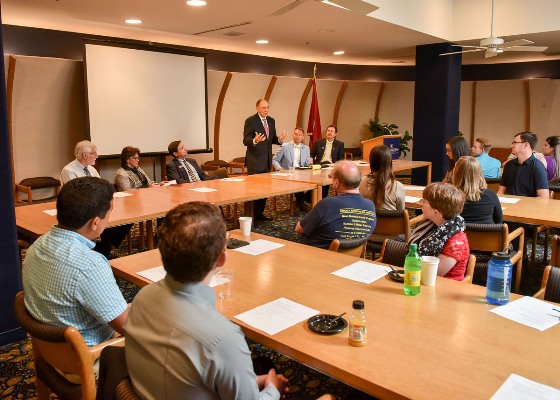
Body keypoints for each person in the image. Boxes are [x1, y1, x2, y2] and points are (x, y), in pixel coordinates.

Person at [125, 202, 289, 399]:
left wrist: (251, 384)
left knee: (260, 365)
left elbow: (178, 372)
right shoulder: (222, 338)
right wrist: (272, 389)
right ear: (221, 259)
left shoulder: (142, 298)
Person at [22, 177, 129, 346]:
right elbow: (128, 327)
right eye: (109, 213)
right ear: (95, 223)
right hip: (89, 357)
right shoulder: (89, 265)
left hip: (51, 351)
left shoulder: (37, 245)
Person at [60, 140, 130, 258]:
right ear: (85, 155)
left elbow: (101, 187)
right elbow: (73, 195)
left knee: (127, 217)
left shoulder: (91, 169)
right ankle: (103, 247)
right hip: (80, 208)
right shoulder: (69, 170)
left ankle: (105, 245)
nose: (97, 156)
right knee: (105, 216)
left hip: (96, 204)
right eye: (94, 153)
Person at [295, 160, 376, 249]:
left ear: (336, 183)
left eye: (331, 177)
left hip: (319, 256)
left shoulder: (327, 204)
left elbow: (299, 229)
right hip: (352, 258)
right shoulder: (370, 206)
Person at [408, 183, 470, 280]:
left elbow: (431, 274)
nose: (420, 203)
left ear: (436, 212)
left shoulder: (456, 242)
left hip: (444, 288)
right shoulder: (431, 224)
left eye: (424, 202)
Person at [243, 99, 286, 221]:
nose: (266, 110)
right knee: (254, 191)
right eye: (263, 108)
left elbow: (271, 139)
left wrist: (280, 139)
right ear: (257, 108)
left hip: (266, 161)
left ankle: (259, 213)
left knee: (264, 191)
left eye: (267, 107)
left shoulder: (271, 121)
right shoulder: (250, 121)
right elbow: (246, 140)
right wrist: (255, 140)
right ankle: (251, 215)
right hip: (255, 162)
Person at [498, 132, 549, 198]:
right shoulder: (509, 165)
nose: (511, 146)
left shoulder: (537, 166)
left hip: (527, 206)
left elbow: (543, 197)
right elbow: (501, 191)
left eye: (514, 143)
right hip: (508, 205)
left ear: (526, 145)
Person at [453, 156, 502, 224]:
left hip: (461, 234)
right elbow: (499, 222)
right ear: (479, 173)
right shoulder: (490, 195)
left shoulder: (450, 198)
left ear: (456, 174)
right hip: (488, 234)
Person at [272, 127, 312, 211]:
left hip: (301, 173)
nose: (297, 136)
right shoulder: (285, 146)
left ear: (303, 137)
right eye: (295, 134)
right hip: (287, 173)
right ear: (293, 135)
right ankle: (301, 204)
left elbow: (307, 165)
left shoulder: (306, 149)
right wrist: (280, 169)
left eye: (299, 135)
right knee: (297, 181)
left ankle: (300, 202)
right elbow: (274, 160)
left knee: (315, 184)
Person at [359, 144, 405, 211]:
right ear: (389, 162)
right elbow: (401, 212)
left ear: (371, 161)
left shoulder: (362, 182)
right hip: (391, 221)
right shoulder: (398, 187)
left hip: (368, 221)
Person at [311, 125, 345, 198]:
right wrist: (311, 161)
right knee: (317, 183)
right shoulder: (319, 142)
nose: (329, 132)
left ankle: (319, 198)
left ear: (335, 134)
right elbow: (312, 155)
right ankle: (318, 198)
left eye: (332, 131)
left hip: (332, 167)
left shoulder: (340, 144)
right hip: (319, 166)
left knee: (325, 181)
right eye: (328, 131)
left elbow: (341, 159)